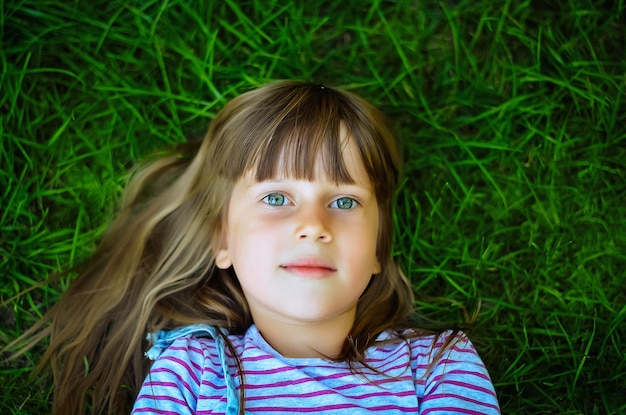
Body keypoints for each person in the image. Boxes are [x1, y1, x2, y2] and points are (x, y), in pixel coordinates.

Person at [10, 81, 500, 414]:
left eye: (345, 200)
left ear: (377, 249)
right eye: (276, 197)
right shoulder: (190, 370)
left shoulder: (439, 365)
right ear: (223, 240)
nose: (313, 225)